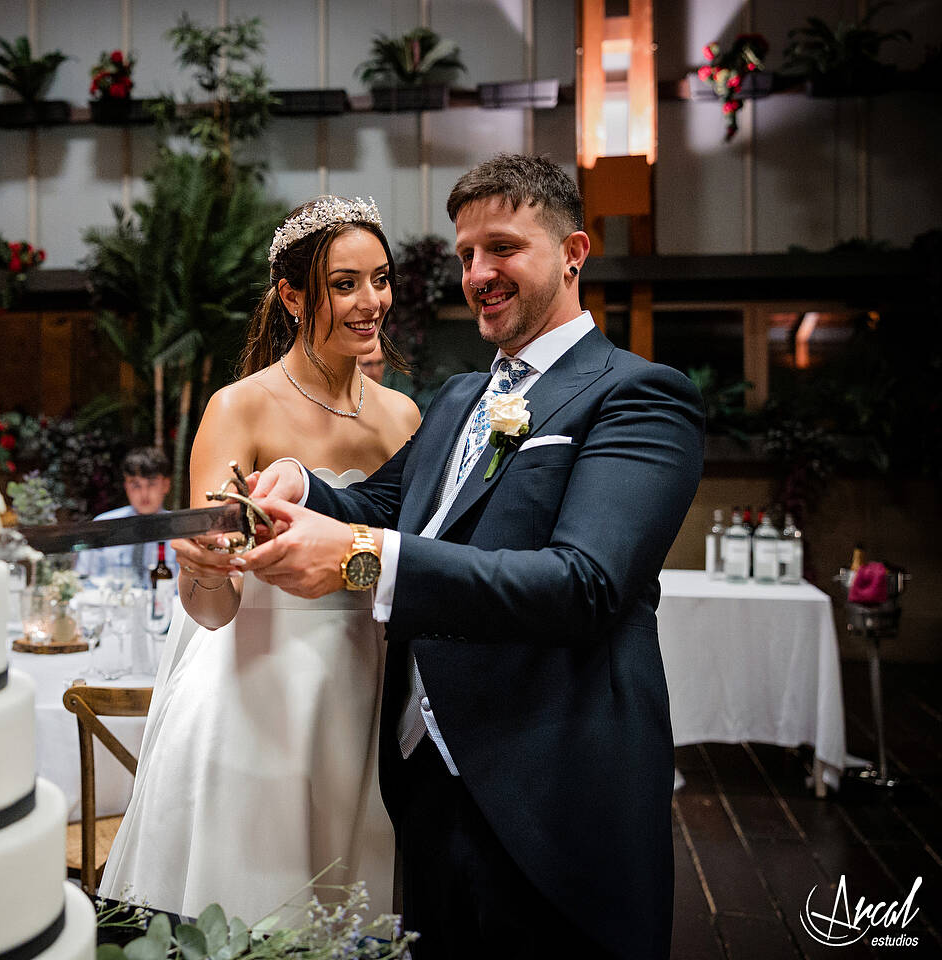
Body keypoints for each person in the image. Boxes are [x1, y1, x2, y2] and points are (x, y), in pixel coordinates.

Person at [241, 155, 706, 958]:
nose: (478, 273)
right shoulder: (459, 397)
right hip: (423, 786)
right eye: (464, 255)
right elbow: (386, 507)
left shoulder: (637, 396)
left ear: (573, 253)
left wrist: (360, 558)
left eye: (502, 248)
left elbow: (583, 585)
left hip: (551, 793)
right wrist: (302, 487)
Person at [99, 197, 421, 921]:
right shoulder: (237, 409)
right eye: (345, 284)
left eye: (381, 278)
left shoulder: (405, 419)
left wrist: (353, 574)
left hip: (366, 687)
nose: (372, 301)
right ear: (293, 295)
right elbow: (212, 611)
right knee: (256, 901)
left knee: (352, 903)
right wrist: (204, 569)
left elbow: (401, 560)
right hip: (253, 692)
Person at [74, 447, 177, 585]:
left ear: (166, 485)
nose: (144, 494)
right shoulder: (104, 525)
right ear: (126, 486)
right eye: (136, 485)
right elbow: (83, 579)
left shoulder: (180, 530)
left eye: (151, 484)